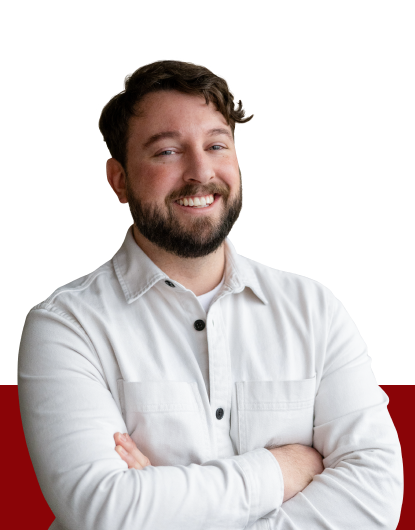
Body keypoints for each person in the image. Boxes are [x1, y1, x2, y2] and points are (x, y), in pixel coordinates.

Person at [17, 59, 403, 530]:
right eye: (166, 152)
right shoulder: (64, 325)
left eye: (216, 145)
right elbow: (105, 511)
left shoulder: (315, 309)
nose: (200, 172)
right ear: (117, 179)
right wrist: (285, 468)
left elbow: (375, 491)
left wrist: (161, 502)